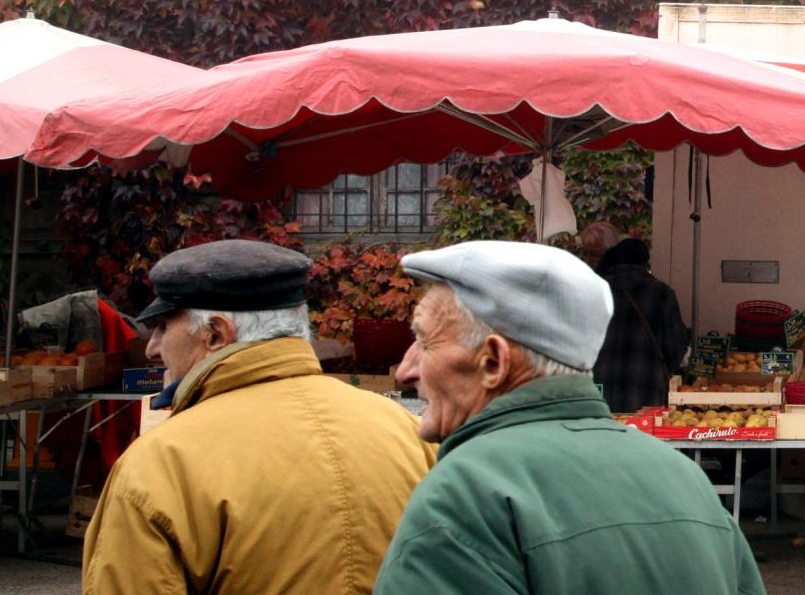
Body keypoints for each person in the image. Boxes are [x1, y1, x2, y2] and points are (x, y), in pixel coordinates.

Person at [374, 241, 765, 595]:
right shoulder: (685, 478)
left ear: (493, 362)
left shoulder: (464, 496)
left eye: (425, 342)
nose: (406, 370)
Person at [82, 240, 434, 595]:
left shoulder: (158, 465)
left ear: (216, 334)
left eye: (162, 327)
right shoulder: (404, 430)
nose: (152, 347)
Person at [590, 224, 689, 412]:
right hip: (645, 387)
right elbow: (676, 345)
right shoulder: (661, 293)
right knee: (643, 435)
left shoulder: (596, 289)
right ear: (644, 263)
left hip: (600, 386)